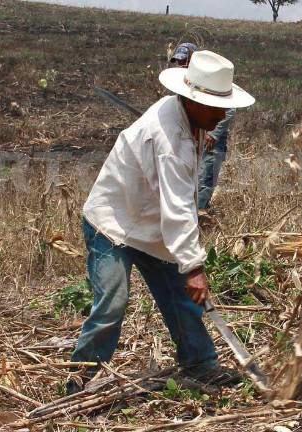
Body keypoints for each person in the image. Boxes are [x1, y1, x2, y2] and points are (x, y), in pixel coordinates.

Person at [67, 50, 255, 394]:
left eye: (224, 107)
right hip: (113, 222)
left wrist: (188, 268)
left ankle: (200, 364)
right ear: (192, 101)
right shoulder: (172, 142)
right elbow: (179, 206)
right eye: (215, 107)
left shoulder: (186, 118)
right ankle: (81, 380)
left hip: (151, 226)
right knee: (112, 302)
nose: (223, 114)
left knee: (180, 296)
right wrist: (194, 266)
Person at [170, 43, 235, 211]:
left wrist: (213, 133)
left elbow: (228, 110)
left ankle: (199, 213)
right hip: (192, 139)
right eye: (179, 62)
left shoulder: (212, 83)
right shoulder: (183, 83)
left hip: (212, 142)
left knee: (206, 178)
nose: (181, 65)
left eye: (185, 61)